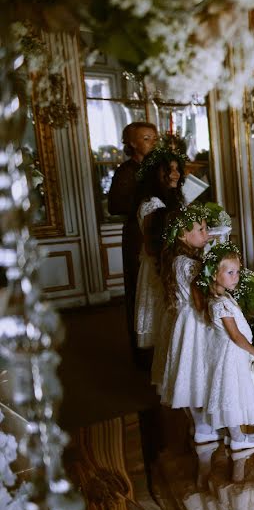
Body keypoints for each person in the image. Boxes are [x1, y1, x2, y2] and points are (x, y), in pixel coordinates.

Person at [153, 205, 217, 443]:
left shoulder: (176, 259)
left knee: (185, 372)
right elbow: (200, 302)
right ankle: (202, 426)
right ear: (182, 235)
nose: (206, 232)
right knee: (198, 373)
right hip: (194, 322)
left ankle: (197, 423)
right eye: (200, 229)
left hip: (180, 320)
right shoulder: (191, 265)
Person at [198, 243, 254, 451]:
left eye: (237, 272)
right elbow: (236, 336)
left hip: (230, 354)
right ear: (214, 275)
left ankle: (233, 435)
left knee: (232, 395)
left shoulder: (221, 297)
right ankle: (238, 438)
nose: (236, 277)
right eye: (230, 272)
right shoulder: (220, 304)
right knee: (232, 396)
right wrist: (253, 350)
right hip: (231, 357)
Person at [108, 121, 158, 365]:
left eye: (154, 138)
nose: (153, 142)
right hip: (136, 237)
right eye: (147, 138)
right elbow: (115, 206)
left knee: (156, 290)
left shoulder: (156, 168)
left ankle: (160, 347)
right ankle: (141, 353)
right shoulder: (125, 171)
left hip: (156, 233)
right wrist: (147, 198)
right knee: (138, 291)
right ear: (132, 143)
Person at [134, 145, 187, 351]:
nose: (175, 174)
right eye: (169, 170)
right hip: (158, 267)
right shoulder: (152, 204)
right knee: (163, 319)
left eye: (177, 169)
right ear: (156, 174)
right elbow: (151, 246)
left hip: (170, 263)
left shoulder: (172, 198)